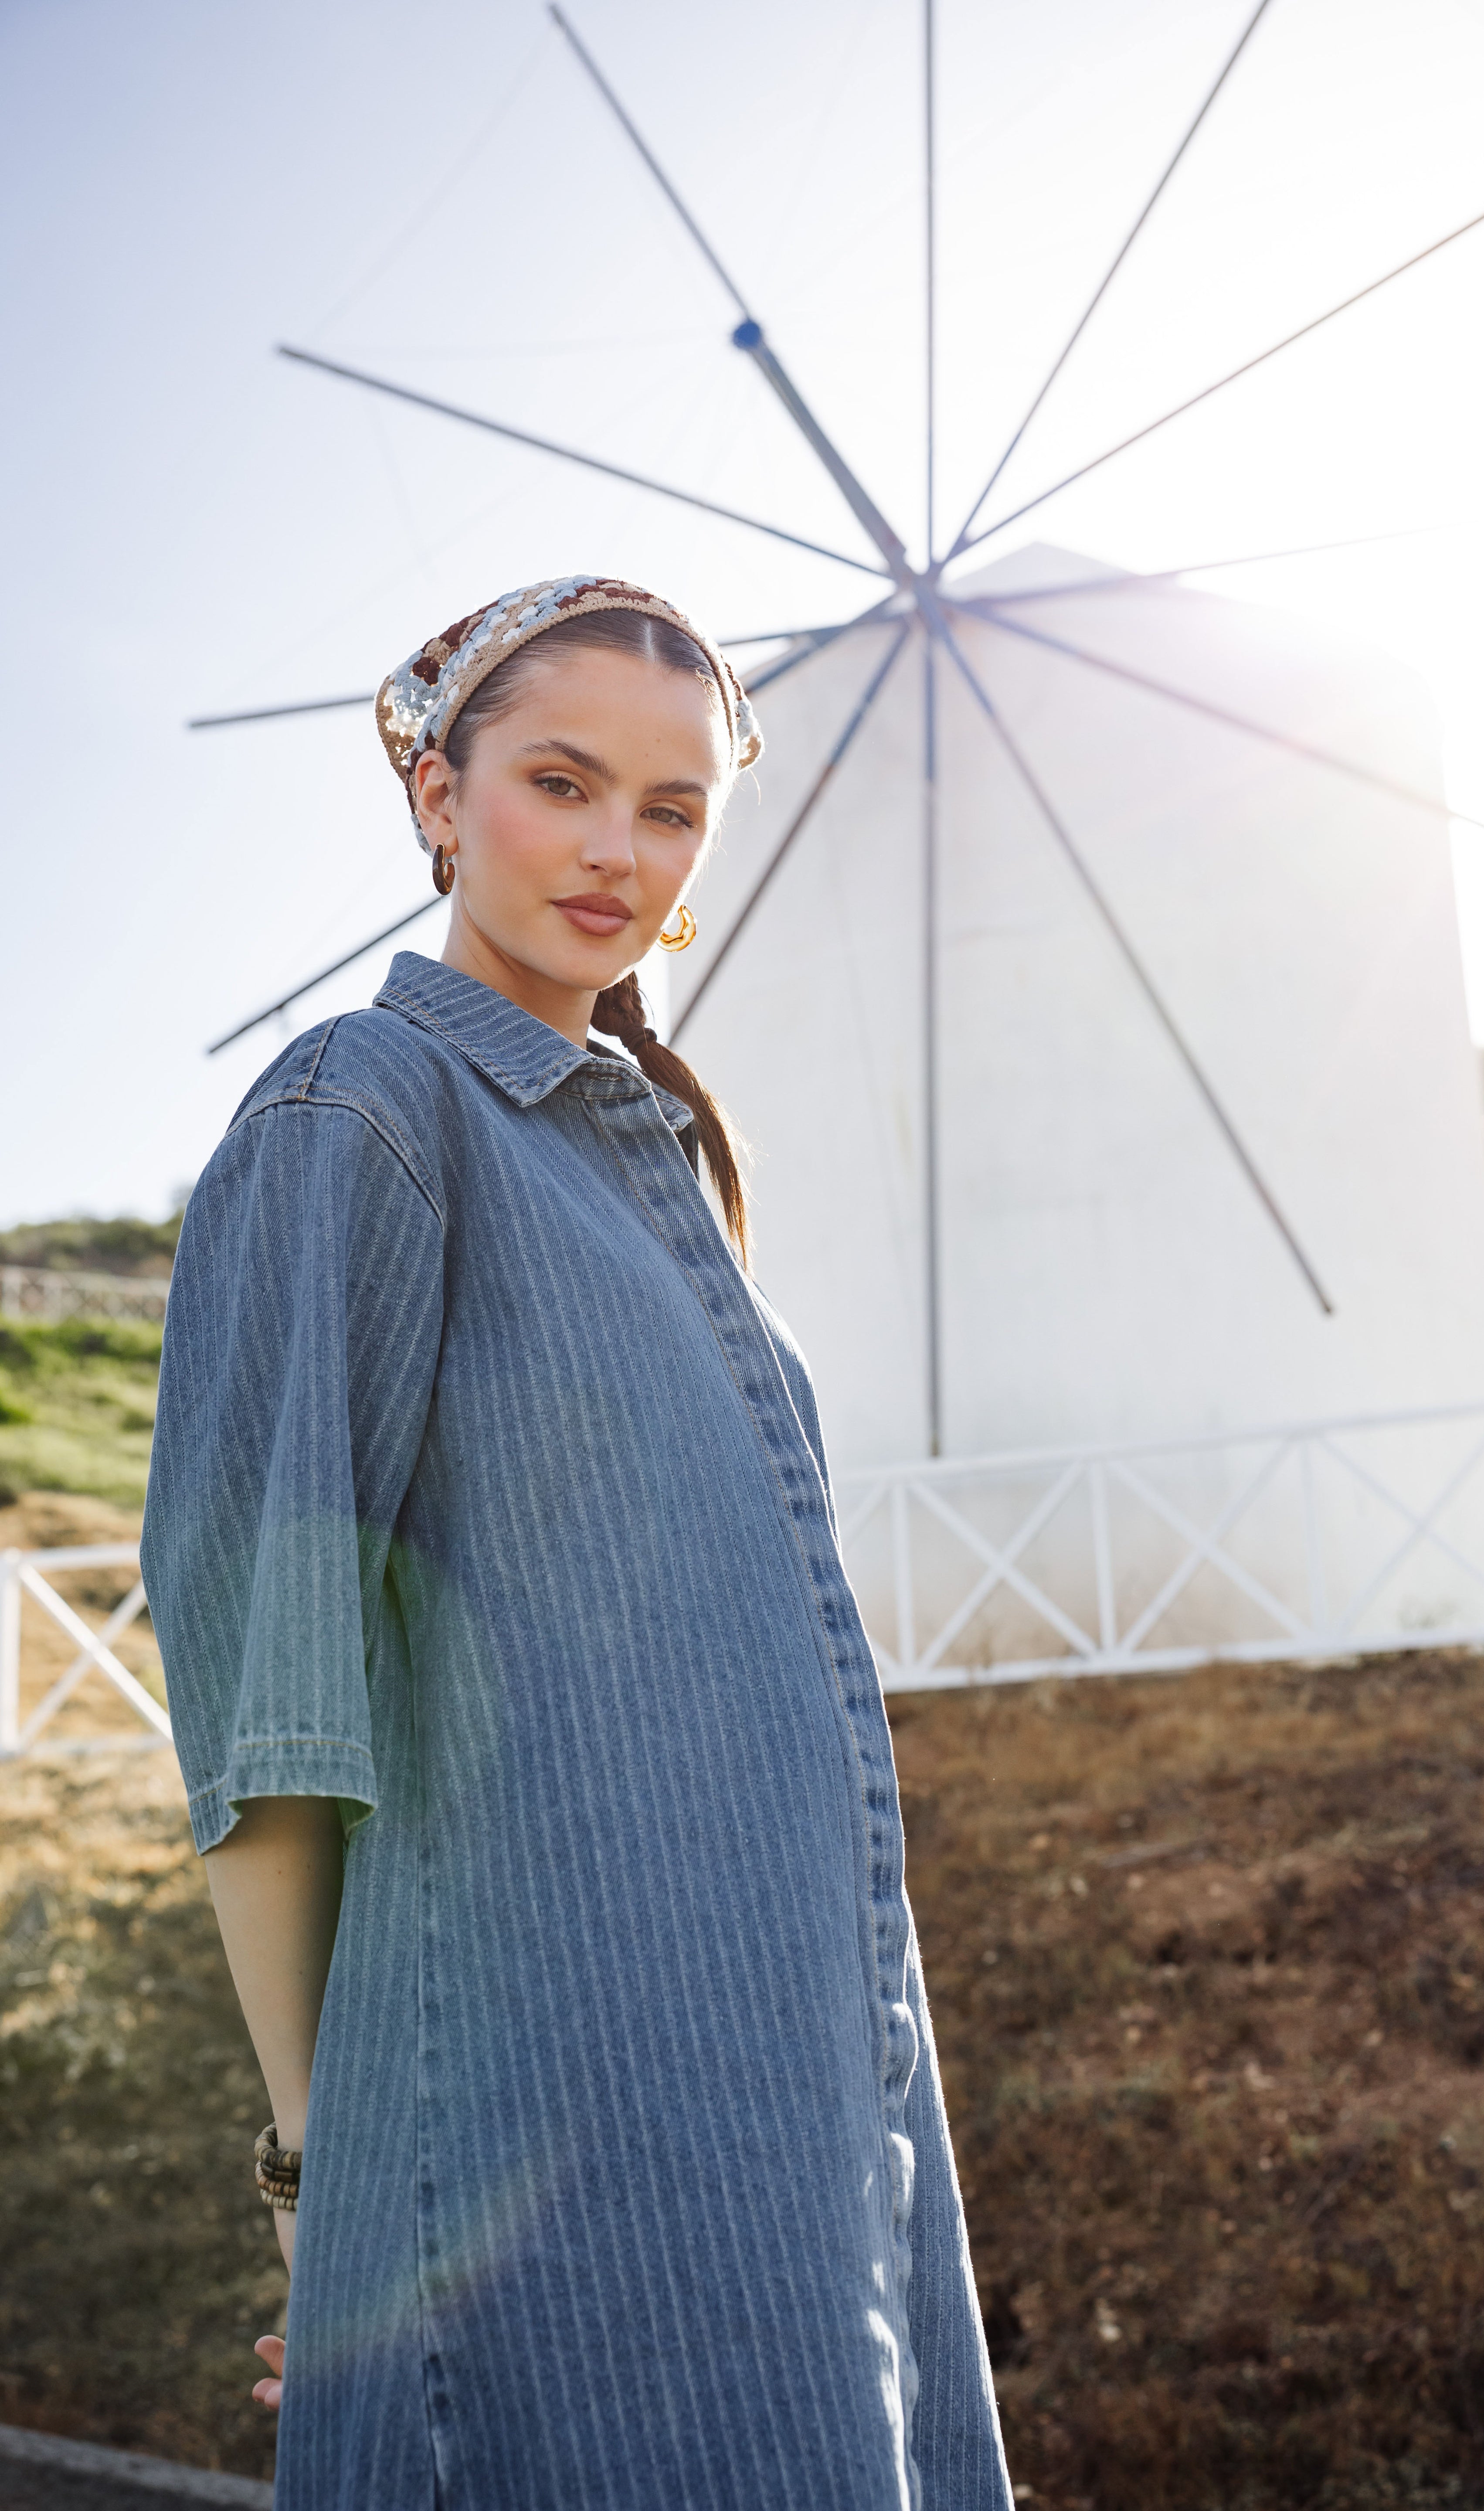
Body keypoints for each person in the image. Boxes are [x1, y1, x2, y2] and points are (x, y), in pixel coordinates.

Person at [141, 575, 1013, 2511]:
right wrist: (327, 2176)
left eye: (672, 808)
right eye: (562, 782)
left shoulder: (656, 1167)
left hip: (804, 2084)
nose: (619, 849)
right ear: (438, 796)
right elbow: (270, 1693)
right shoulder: (361, 1114)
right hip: (547, 2099)